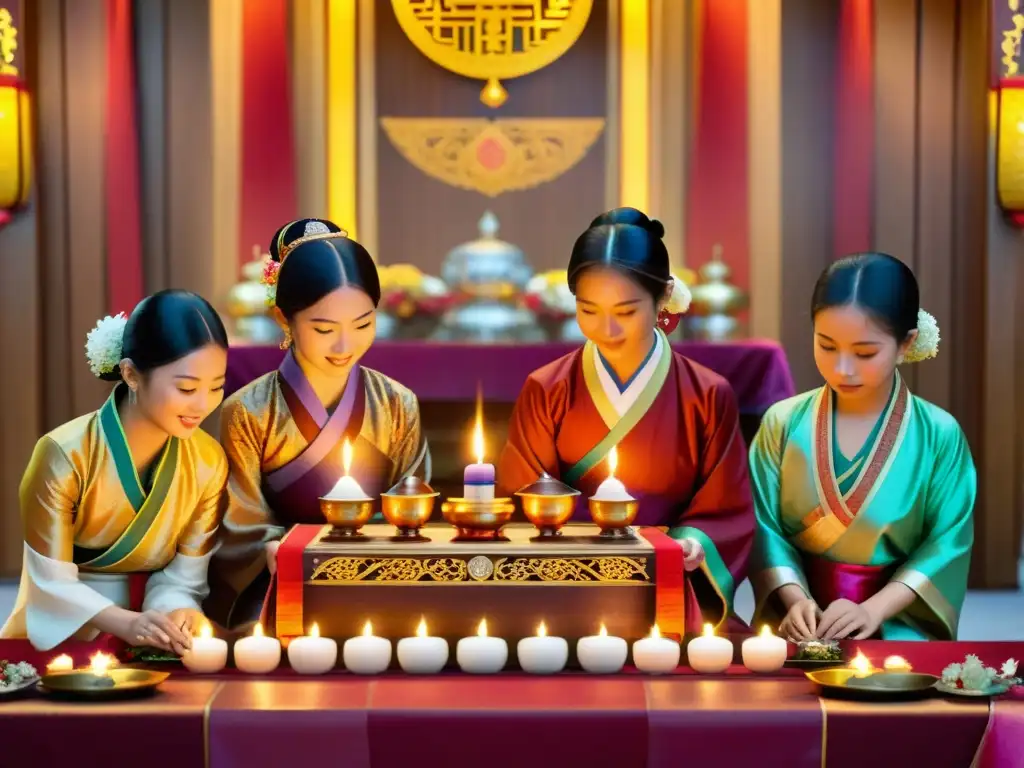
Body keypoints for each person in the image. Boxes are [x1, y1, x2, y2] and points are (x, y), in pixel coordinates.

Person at [496, 208, 754, 633]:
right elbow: (522, 498)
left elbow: (726, 510)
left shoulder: (707, 394)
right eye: (588, 310)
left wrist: (694, 543)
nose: (607, 329)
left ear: (664, 296)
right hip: (565, 588)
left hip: (669, 587)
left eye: (627, 311)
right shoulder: (547, 388)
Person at [206, 218, 430, 630]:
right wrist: (276, 548)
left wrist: (369, 549)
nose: (346, 345)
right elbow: (240, 522)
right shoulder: (249, 411)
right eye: (324, 328)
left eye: (363, 324)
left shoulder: (397, 404)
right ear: (283, 319)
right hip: (279, 578)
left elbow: (413, 507)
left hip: (378, 573)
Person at [749, 252, 975, 641]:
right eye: (827, 345)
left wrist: (874, 610)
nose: (843, 368)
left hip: (895, 620)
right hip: (801, 621)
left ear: (906, 344)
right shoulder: (781, 423)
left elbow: (946, 544)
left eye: (865, 352)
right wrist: (795, 599)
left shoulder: (939, 434)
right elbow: (761, 526)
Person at [1, 290, 230, 652]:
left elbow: (183, 578)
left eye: (216, 387)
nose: (203, 405)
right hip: (69, 635)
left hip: (155, 634)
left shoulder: (209, 460)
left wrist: (177, 611)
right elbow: (49, 582)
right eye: (186, 387)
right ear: (131, 374)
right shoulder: (64, 454)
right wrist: (125, 622)